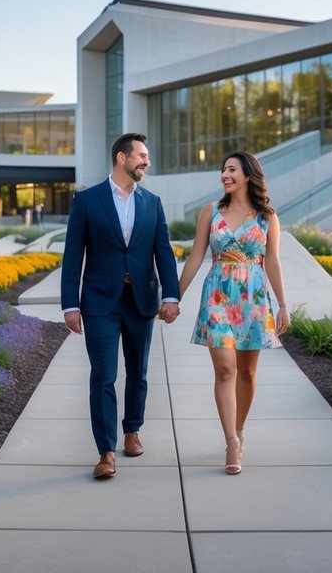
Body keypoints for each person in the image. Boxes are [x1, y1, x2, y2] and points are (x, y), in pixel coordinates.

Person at [61, 133, 180, 480]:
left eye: (147, 156)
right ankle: (106, 451)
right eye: (142, 155)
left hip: (141, 300)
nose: (147, 161)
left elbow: (164, 252)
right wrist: (71, 303)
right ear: (121, 158)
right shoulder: (87, 201)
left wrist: (170, 296)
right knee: (103, 376)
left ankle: (132, 430)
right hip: (99, 302)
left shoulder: (152, 202)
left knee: (138, 372)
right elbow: (73, 255)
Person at [178, 151, 290, 475]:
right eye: (223, 169)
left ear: (248, 175)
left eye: (231, 169)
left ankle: (239, 429)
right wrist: (174, 297)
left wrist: (282, 305)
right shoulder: (210, 212)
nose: (225, 174)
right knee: (225, 369)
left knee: (247, 373)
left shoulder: (267, 216)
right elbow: (196, 257)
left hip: (253, 299)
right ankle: (230, 441)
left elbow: (272, 262)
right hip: (217, 295)